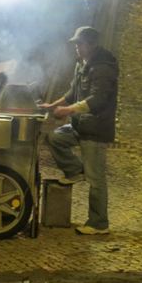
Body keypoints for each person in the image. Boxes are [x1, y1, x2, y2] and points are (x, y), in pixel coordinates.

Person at [41, 26, 118, 235]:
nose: (76, 47)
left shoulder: (103, 68)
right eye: (75, 43)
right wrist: (53, 105)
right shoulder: (82, 64)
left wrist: (69, 110)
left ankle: (99, 223)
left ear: (92, 45)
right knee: (55, 137)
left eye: (80, 43)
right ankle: (75, 171)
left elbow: (98, 99)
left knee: (96, 179)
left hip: (95, 129)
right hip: (79, 125)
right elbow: (72, 92)